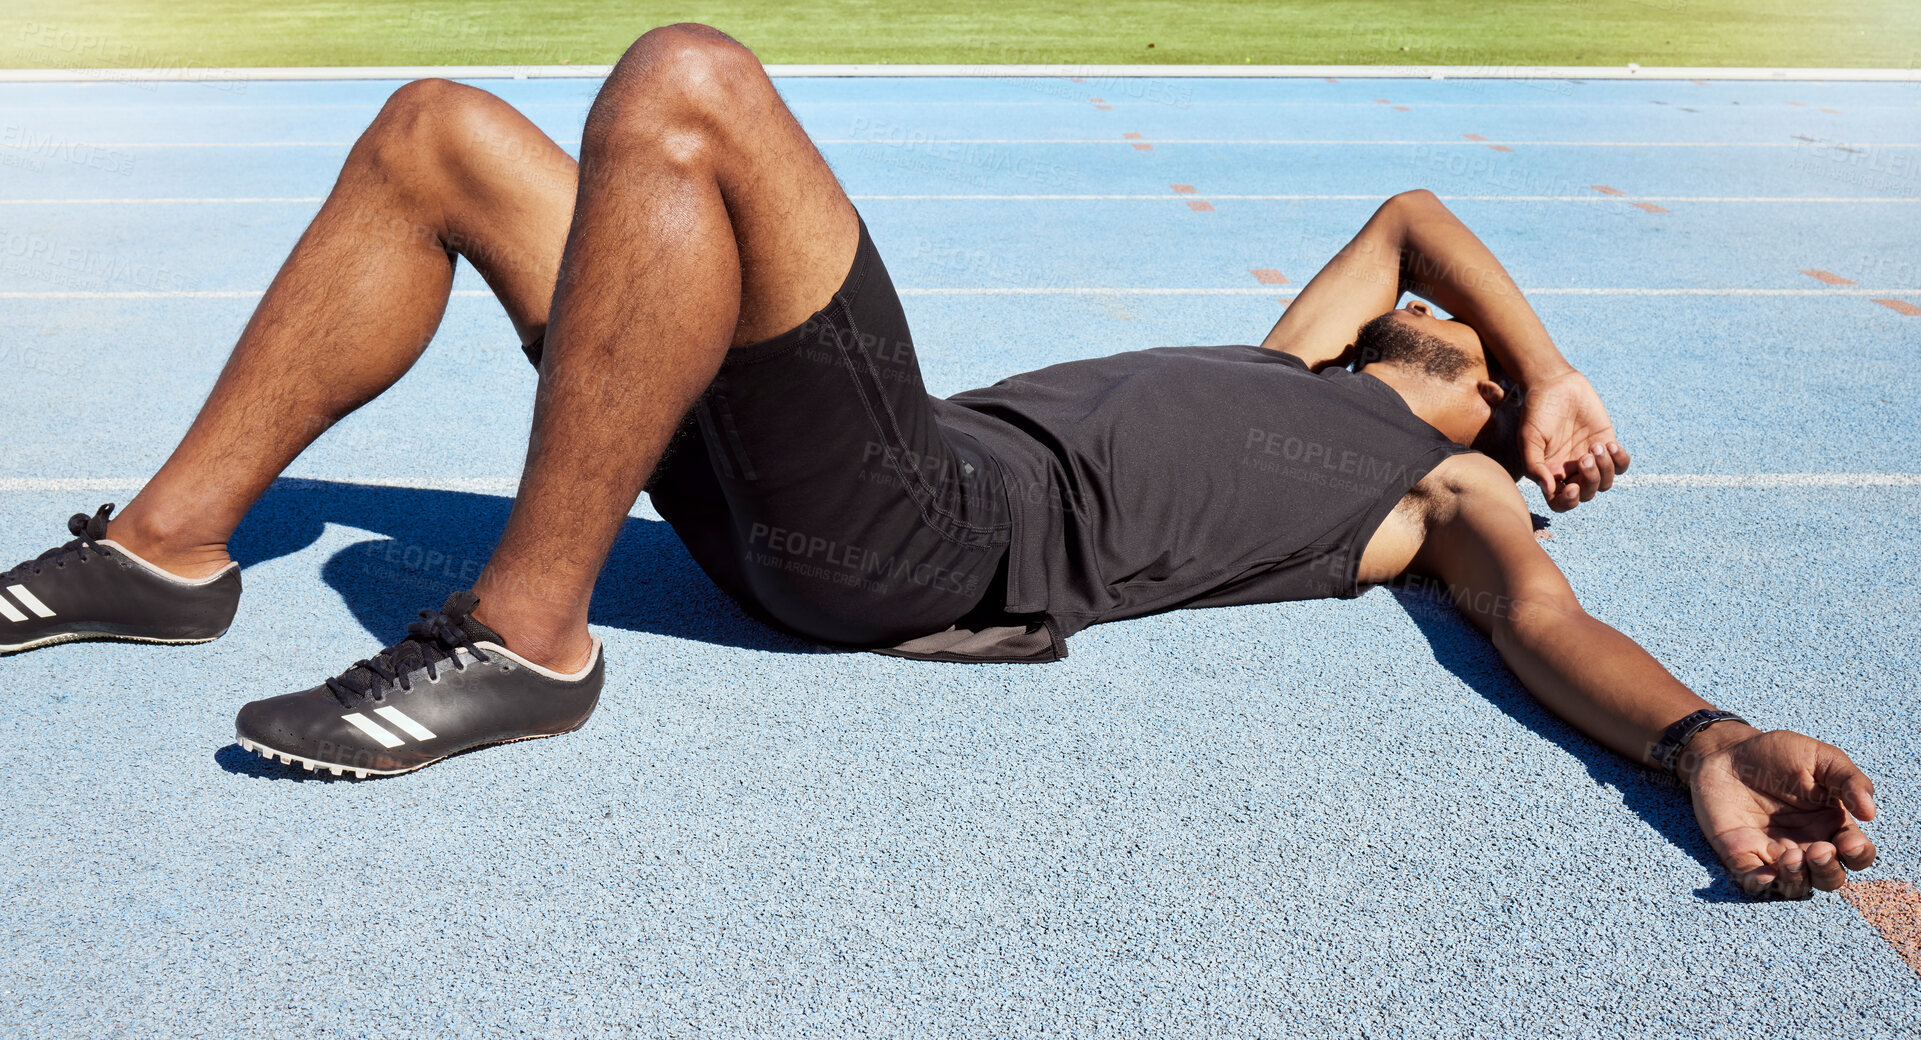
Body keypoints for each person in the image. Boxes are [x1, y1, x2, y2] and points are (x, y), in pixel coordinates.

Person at [0, 25, 1876, 899]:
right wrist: (1539, 359)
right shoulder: (1296, 356)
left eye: (1455, 356)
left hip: (931, 538)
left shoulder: (1429, 492)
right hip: (841, 476)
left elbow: (1542, 618)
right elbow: (1409, 213)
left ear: (1467, 427)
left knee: (692, 85)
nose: (1434, 331)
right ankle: (169, 554)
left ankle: (529, 636)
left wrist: (1702, 741)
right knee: (441, 131)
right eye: (1433, 326)